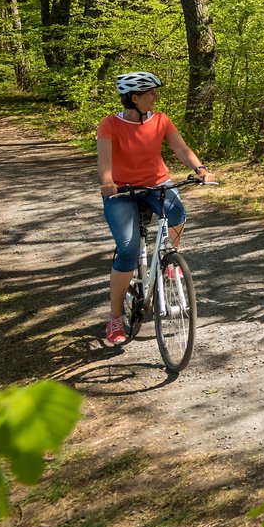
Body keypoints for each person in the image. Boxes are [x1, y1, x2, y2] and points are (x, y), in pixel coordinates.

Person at [96, 71, 215, 346]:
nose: (155, 97)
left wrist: (199, 169)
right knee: (128, 248)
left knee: (178, 213)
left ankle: (170, 256)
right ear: (133, 98)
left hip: (156, 184)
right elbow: (104, 161)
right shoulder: (109, 125)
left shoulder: (161, 120)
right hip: (122, 191)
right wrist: (107, 182)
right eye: (150, 93)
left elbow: (181, 149)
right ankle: (115, 317)